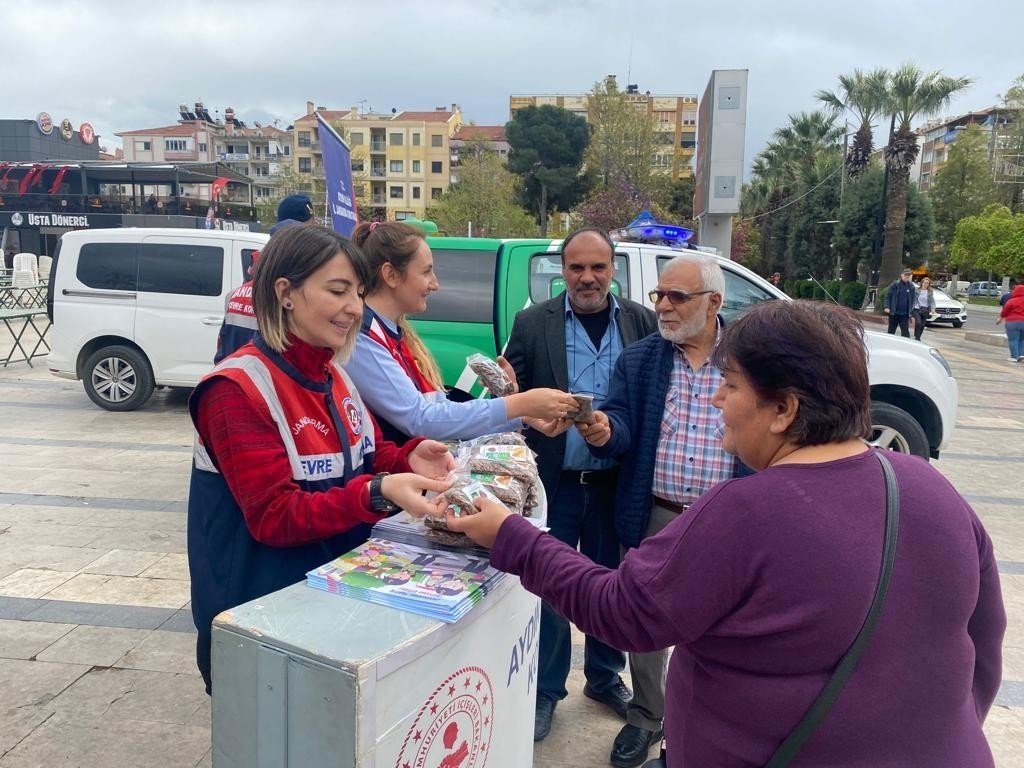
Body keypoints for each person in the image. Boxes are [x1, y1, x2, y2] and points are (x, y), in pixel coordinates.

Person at [446, 300, 1006, 768]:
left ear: (783, 409)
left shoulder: (747, 513)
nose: (716, 400)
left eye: (731, 385)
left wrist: (509, 533)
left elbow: (620, 611)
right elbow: (985, 639)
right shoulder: (932, 487)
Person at [187, 225, 455, 694]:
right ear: (286, 293)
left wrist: (411, 456)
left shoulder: (333, 373)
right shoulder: (236, 389)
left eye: (357, 292)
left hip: (333, 605)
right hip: (261, 620)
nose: (354, 307)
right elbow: (274, 516)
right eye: (338, 291)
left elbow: (369, 454)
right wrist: (377, 493)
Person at [574, 252, 740, 768]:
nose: (663, 306)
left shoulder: (750, 358)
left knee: (725, 625)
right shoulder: (642, 359)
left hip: (727, 516)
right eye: (658, 296)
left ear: (714, 303)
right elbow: (622, 423)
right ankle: (646, 715)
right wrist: (605, 431)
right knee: (646, 620)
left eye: (677, 297)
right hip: (657, 515)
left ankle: (713, 725)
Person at [502, 228, 658, 744]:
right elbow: (513, 395)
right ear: (561, 271)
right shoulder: (531, 323)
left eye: (597, 267)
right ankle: (547, 690)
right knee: (548, 585)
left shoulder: (641, 322)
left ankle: (603, 677)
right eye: (576, 268)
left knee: (611, 584)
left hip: (615, 482)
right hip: (556, 483)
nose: (587, 277)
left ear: (613, 269)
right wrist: (507, 385)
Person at [345, 221, 578, 444]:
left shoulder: (390, 332)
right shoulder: (363, 338)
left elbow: (440, 412)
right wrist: (520, 404)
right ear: (391, 275)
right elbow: (422, 419)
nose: (435, 284)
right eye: (426, 272)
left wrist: (524, 415)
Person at [214, 195, 317, 363]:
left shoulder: (237, 293)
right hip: (264, 383)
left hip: (236, 378)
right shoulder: (293, 296)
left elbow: (223, 350)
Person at [883, 268, 916, 337]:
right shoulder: (895, 285)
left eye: (909, 275)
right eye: (905, 275)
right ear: (901, 275)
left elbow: (913, 300)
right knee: (891, 331)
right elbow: (888, 296)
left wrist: (911, 310)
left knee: (905, 333)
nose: (907, 276)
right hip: (894, 313)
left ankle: (905, 346)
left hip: (904, 314)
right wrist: (886, 307)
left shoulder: (911, 287)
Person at [996, 284, 1024, 362]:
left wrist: (1000, 318)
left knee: (1013, 340)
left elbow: (1005, 312)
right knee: (1022, 340)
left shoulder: (1011, 301)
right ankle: (1021, 355)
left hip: (1012, 322)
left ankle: (1014, 356)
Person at [913, 276, 937, 341]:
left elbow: (932, 300)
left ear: (929, 284)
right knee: (918, 322)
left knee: (922, 325)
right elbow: (912, 299)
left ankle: (918, 336)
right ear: (922, 283)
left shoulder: (930, 291)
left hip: (925, 310)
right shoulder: (917, 290)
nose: (925, 284)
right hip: (916, 309)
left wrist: (933, 309)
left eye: (927, 283)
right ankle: (917, 337)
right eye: (924, 282)